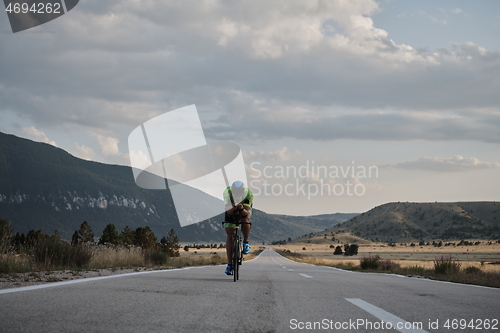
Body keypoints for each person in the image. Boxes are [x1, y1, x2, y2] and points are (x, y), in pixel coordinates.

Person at [223, 180, 253, 275]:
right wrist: (233, 207)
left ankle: (246, 242)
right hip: (231, 209)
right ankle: (229, 265)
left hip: (244, 209)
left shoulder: (248, 193)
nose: (237, 195)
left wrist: (240, 208)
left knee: (245, 220)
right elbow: (229, 212)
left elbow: (246, 213)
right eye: (235, 193)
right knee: (230, 236)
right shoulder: (227, 192)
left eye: (239, 193)